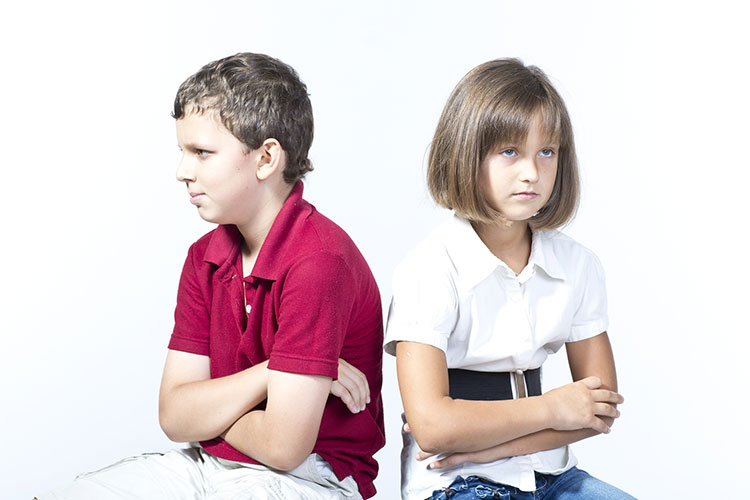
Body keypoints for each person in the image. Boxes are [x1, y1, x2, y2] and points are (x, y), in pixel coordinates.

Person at [38, 52, 385, 500]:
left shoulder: (319, 261)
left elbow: (282, 446)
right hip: (208, 463)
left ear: (265, 159)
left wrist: (205, 412)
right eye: (183, 152)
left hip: (309, 476)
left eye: (201, 152)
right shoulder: (204, 257)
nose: (182, 171)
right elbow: (173, 416)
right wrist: (270, 373)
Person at [384, 59, 635, 500]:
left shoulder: (577, 265)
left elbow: (600, 410)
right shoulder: (429, 270)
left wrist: (493, 449)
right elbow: (432, 427)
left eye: (547, 151)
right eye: (509, 152)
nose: (531, 173)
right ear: (465, 154)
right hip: (454, 484)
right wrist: (554, 407)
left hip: (553, 475)